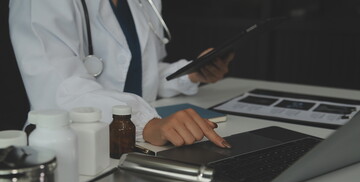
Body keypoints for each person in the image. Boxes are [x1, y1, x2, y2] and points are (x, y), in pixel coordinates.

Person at [8, 0, 234, 148]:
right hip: (75, 148)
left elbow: (143, 72)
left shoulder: (143, 3)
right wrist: (145, 123)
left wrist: (190, 74)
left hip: (140, 144)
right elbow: (58, 91)